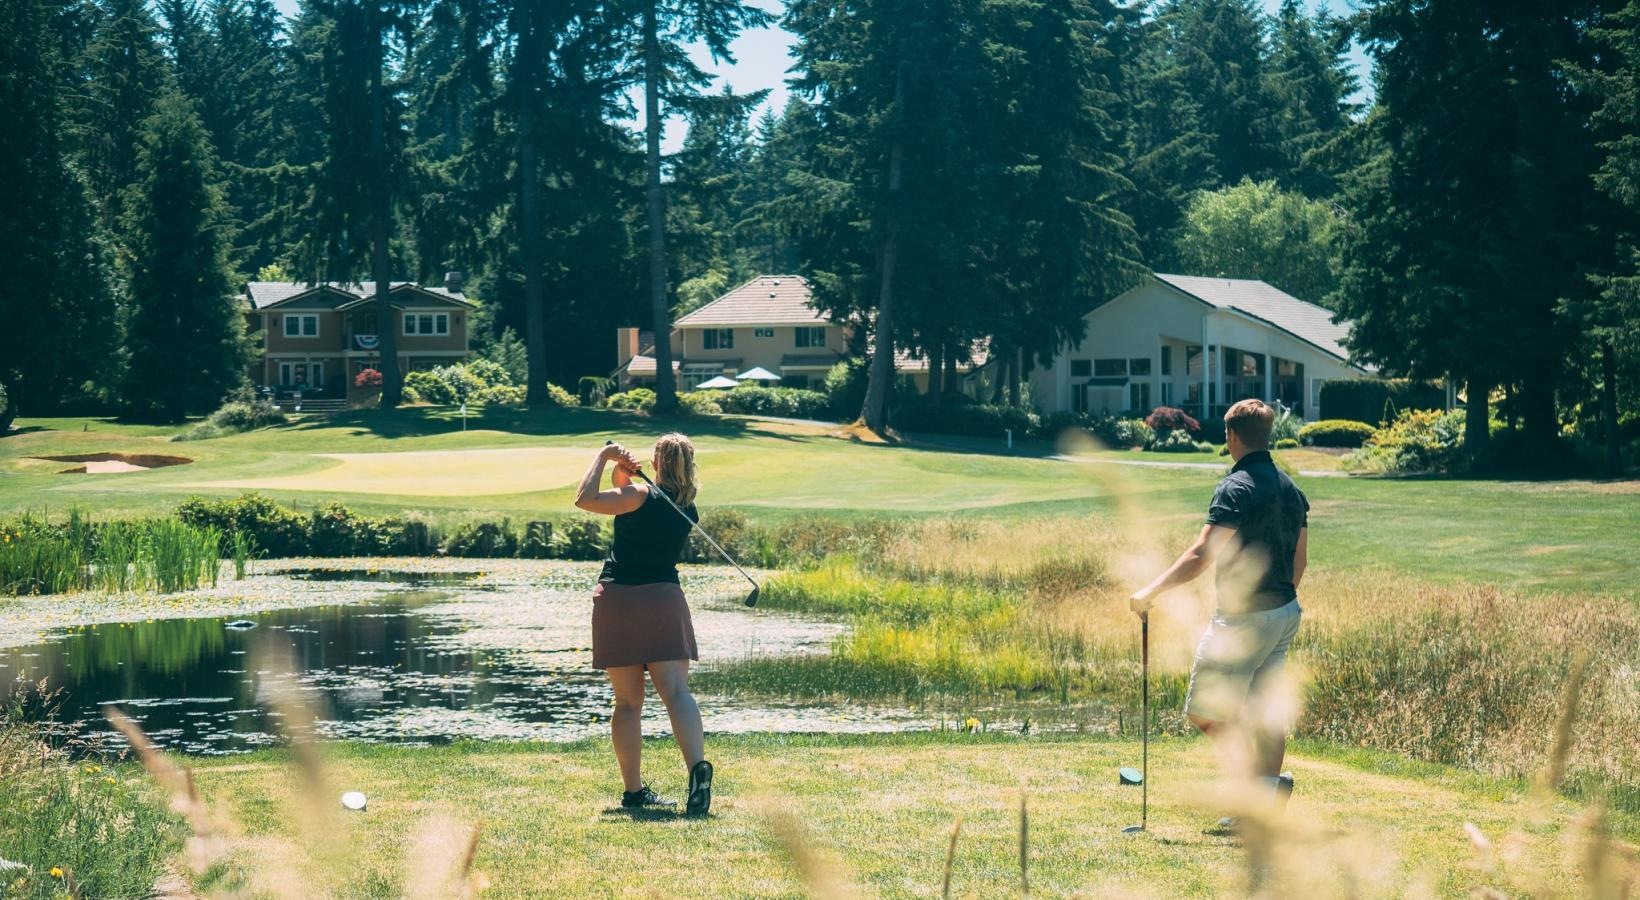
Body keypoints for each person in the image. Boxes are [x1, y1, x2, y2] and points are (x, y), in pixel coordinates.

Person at [1126, 399, 1308, 822]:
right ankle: (1264, 798)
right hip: (1284, 612)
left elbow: (1202, 553)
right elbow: (1300, 564)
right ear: (1268, 435)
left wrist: (1151, 590)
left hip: (1243, 619)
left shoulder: (1236, 487)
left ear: (1231, 437)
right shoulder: (1292, 491)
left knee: (1203, 710)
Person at [574, 434, 713, 816]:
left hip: (620, 599)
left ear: (658, 463)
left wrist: (604, 457)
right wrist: (624, 476)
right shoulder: (688, 507)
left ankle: (634, 793)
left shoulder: (638, 495)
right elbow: (632, 502)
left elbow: (586, 499)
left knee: (629, 703)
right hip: (664, 600)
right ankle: (697, 770)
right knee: (676, 693)